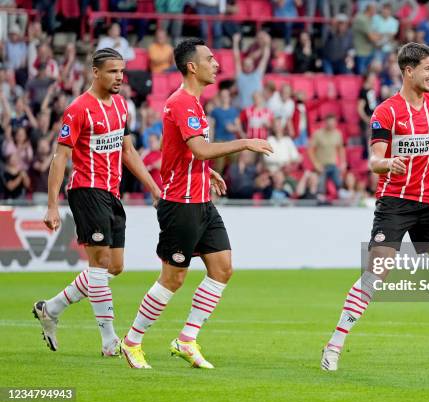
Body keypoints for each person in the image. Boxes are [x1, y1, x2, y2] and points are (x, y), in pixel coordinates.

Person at [320, 43, 429, 372]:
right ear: (408, 71)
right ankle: (334, 344)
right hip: (395, 203)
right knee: (376, 274)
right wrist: (388, 162)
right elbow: (374, 160)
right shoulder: (386, 112)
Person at [119, 38, 273, 369]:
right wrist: (244, 143)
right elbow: (200, 149)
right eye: (211, 59)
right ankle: (131, 342)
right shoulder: (182, 103)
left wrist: (209, 173)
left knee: (222, 268)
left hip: (201, 199)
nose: (217, 64)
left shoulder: (195, 104)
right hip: (180, 203)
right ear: (193, 66)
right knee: (173, 279)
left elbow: (190, 154)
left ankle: (186, 339)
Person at [33, 48, 162, 356]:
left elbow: (128, 152)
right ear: (95, 72)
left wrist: (153, 188)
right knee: (100, 263)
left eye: (121, 71)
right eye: (113, 71)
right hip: (86, 190)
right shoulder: (78, 109)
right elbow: (59, 157)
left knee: (114, 267)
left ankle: (50, 308)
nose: (119, 76)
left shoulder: (121, 106)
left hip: (112, 192)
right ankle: (109, 341)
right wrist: (52, 205)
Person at [233, 32, 271, 109]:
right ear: (243, 66)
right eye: (246, 64)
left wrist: (267, 43)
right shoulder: (240, 76)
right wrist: (235, 42)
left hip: (258, 109)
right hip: (244, 110)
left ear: (253, 66)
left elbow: (265, 58)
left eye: (250, 64)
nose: (248, 66)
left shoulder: (257, 74)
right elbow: (236, 58)